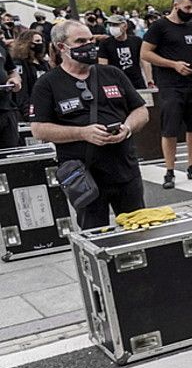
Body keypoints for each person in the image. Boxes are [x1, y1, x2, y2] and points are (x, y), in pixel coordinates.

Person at [29, 19, 150, 229]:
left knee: (138, 228)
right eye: (80, 41)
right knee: (94, 234)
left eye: (91, 40)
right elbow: (39, 129)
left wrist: (127, 128)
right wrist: (82, 133)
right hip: (84, 175)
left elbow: (141, 110)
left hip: (123, 168)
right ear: (61, 47)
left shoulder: (111, 73)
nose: (89, 45)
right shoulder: (47, 84)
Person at [140, 0, 192, 189]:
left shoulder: (191, 26)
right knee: (170, 128)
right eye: (187, 8)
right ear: (176, 6)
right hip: (170, 84)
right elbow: (145, 53)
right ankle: (170, 170)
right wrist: (173, 64)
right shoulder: (159, 27)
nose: (191, 12)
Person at [98, 15, 148, 91]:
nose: (112, 28)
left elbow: (144, 60)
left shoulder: (136, 41)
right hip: (116, 83)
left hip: (136, 82)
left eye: (115, 25)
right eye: (110, 25)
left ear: (125, 26)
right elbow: (103, 66)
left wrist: (149, 79)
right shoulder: (105, 43)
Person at [10, 29, 50, 119]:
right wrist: (27, 112)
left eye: (41, 41)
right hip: (28, 108)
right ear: (28, 43)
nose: (40, 44)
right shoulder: (19, 63)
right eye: (37, 41)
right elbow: (22, 92)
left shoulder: (43, 63)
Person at [0, 29, 21, 148]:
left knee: (11, 151)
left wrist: (15, 80)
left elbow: (12, 70)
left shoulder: (1, 46)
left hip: (6, 108)